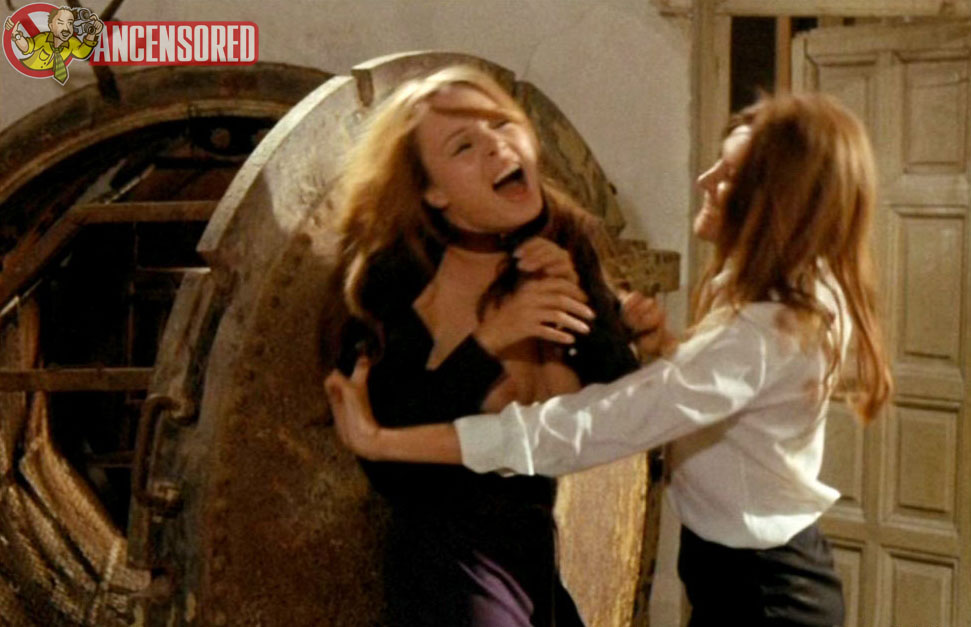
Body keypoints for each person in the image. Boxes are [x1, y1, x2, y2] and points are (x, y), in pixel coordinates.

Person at [325, 92, 894, 626]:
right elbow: (724, 391)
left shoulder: (766, 327)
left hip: (763, 596)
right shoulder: (795, 283)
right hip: (732, 576)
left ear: (776, 205)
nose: (705, 180)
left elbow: (593, 425)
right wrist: (668, 353)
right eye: (463, 145)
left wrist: (384, 441)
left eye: (729, 174)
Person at [330, 65, 654, 626]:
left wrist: (589, 311)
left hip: (534, 558)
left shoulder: (562, 245)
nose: (495, 146)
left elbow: (623, 412)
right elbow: (388, 465)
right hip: (450, 565)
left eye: (502, 124)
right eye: (463, 145)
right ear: (432, 192)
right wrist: (490, 340)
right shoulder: (395, 276)